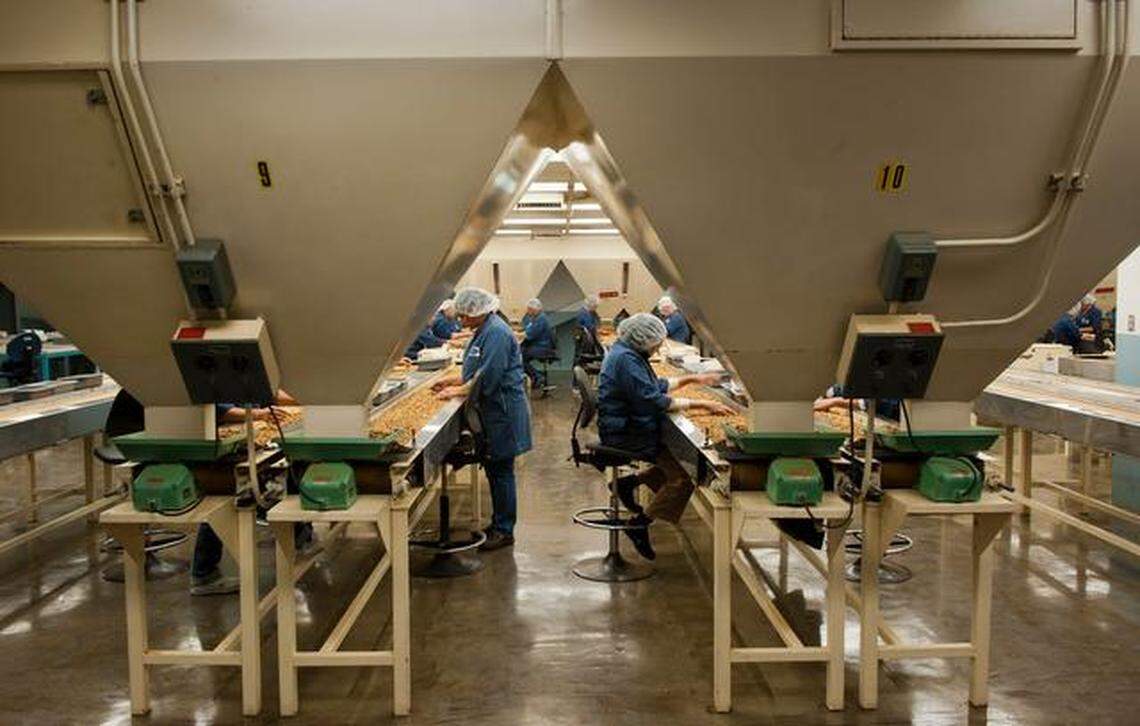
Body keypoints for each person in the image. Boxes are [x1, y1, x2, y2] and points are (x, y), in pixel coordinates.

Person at [597, 313, 733, 560]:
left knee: (676, 464)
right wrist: (702, 404)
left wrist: (692, 378)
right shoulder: (626, 360)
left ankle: (629, 483)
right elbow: (653, 400)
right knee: (683, 477)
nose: (658, 349)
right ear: (642, 339)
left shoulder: (626, 353)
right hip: (626, 433)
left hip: (627, 426)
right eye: (656, 344)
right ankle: (639, 525)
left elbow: (654, 386)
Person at [432, 287, 532, 551]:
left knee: (501, 470)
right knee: (494, 468)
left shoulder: (496, 333)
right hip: (492, 411)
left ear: (480, 311)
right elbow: (476, 369)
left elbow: (489, 377)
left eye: (465, 315)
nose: (461, 320)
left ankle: (504, 530)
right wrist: (454, 381)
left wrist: (459, 391)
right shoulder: (484, 330)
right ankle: (499, 523)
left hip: (503, 411)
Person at [191, 392, 313, 596]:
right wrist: (259, 414)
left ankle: (301, 537)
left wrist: (308, 397)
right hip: (220, 442)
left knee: (285, 472)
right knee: (225, 498)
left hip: (246, 432)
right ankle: (203, 573)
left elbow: (267, 393)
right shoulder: (212, 377)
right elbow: (219, 409)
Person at [520, 297, 556, 388]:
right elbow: (528, 331)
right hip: (540, 345)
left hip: (543, 347)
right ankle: (536, 375)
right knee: (521, 353)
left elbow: (530, 334)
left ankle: (538, 376)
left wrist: (516, 334)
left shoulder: (540, 319)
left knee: (520, 357)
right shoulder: (537, 318)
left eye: (529, 309)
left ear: (534, 310)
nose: (527, 311)